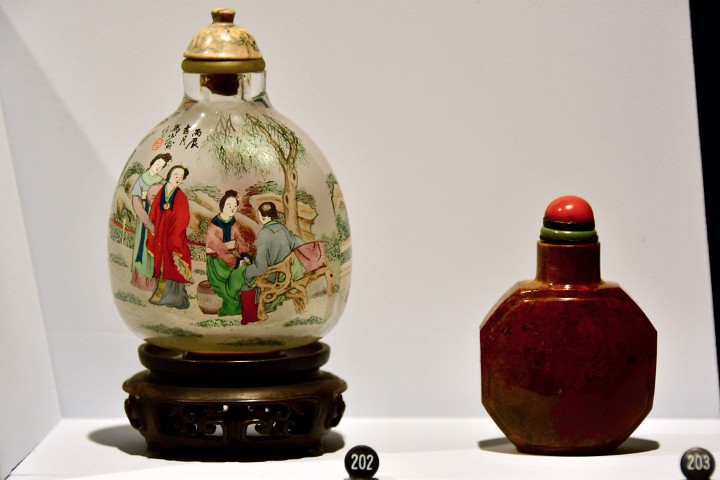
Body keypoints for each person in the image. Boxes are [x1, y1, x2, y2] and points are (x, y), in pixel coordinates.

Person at [240, 202, 304, 322]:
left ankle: (251, 316)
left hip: (272, 276)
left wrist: (246, 271)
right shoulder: (283, 229)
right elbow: (299, 243)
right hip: (285, 272)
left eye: (258, 214)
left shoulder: (264, 233)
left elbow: (261, 268)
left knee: (244, 278)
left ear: (263, 216)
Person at [146, 165, 192, 309]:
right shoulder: (162, 192)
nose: (178, 178)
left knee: (172, 264)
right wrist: (154, 227)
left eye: (181, 176)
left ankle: (175, 298)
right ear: (170, 174)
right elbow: (154, 211)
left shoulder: (181, 197)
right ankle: (160, 294)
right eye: (176, 175)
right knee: (161, 264)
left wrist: (174, 237)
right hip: (161, 233)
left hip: (174, 236)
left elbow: (182, 219)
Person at [205, 190, 253, 316]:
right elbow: (219, 248)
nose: (232, 209)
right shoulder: (214, 225)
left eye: (234, 206)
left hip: (233, 256)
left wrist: (245, 254)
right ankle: (231, 302)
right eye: (229, 206)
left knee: (245, 269)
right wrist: (236, 261)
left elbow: (239, 241)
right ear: (222, 206)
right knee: (236, 272)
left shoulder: (233, 222)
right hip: (218, 262)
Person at [130, 153, 171, 290]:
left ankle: (151, 281)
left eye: (162, 165)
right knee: (141, 245)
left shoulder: (162, 181)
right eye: (157, 163)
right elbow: (135, 199)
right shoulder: (142, 178)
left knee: (154, 247)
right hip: (143, 217)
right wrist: (145, 219)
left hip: (156, 217)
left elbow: (169, 197)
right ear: (152, 162)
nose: (158, 166)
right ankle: (139, 280)